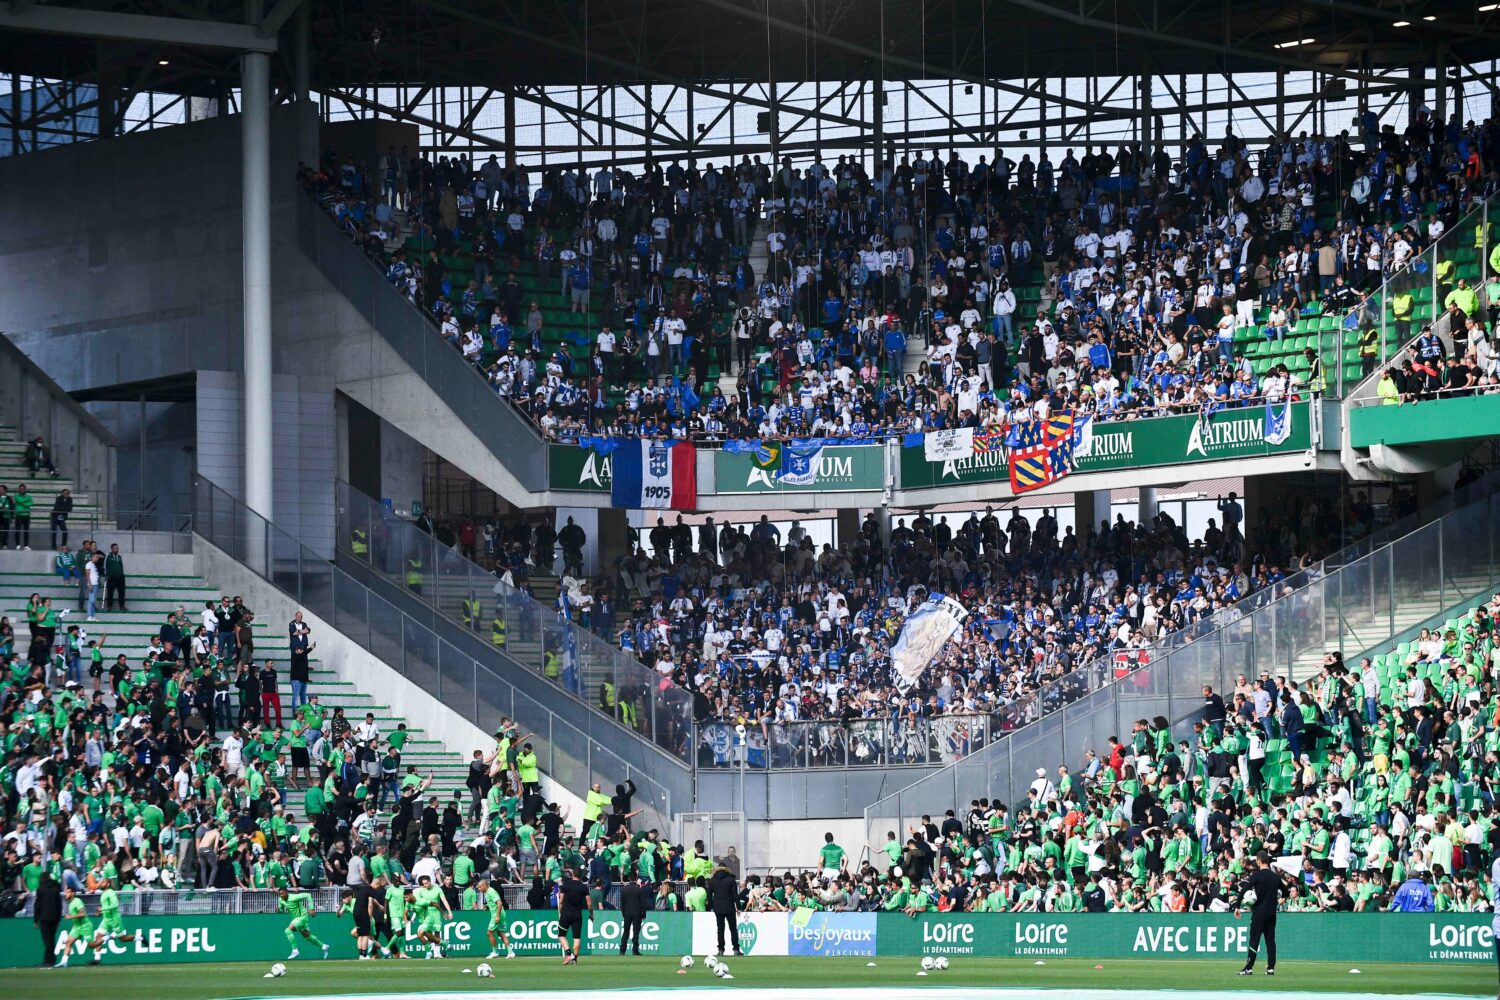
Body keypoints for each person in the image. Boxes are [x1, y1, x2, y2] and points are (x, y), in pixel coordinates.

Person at [1235, 851, 1290, 976]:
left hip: (1259, 912)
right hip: (1271, 913)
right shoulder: (1275, 877)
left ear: (1259, 861)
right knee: (1270, 941)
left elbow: (1243, 890)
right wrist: (1280, 899)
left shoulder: (1256, 875)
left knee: (1254, 939)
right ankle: (1270, 968)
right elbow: (1286, 892)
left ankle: (1249, 967)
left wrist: (1237, 906)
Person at [277, 886, 330, 960]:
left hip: (302, 917)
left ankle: (295, 950)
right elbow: (281, 909)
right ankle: (324, 946)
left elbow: (308, 895)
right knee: (307, 936)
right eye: (280, 894)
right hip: (297, 919)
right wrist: (279, 910)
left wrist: (311, 908)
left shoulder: (294, 897)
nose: (281, 895)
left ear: (286, 892)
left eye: (282, 893)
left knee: (287, 930)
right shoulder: (281, 900)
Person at [556, 867, 593, 965]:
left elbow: (561, 901)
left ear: (573, 875)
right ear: (580, 876)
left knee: (561, 935)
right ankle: (575, 959)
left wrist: (560, 912)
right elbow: (589, 903)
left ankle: (568, 954)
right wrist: (591, 914)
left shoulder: (566, 885)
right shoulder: (583, 887)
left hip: (566, 913)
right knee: (577, 938)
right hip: (577, 914)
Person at [56, 886, 94, 967]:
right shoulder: (71, 903)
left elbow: (82, 914)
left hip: (85, 926)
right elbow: (76, 915)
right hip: (77, 927)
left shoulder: (77, 901)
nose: (66, 894)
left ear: (73, 893)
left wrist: (70, 917)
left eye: (68, 892)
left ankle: (106, 937)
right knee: (68, 942)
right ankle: (64, 962)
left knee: (91, 945)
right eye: (66, 892)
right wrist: (74, 925)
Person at [708, 864, 742, 956]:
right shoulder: (731, 879)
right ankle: (736, 949)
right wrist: (738, 907)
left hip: (718, 907)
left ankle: (721, 949)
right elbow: (735, 895)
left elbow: (709, 895)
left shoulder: (712, 880)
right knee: (733, 929)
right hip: (729, 907)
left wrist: (711, 906)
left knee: (720, 929)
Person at [478, 877, 516, 959]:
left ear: (485, 885)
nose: (479, 888)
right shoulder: (488, 892)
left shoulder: (491, 892)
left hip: (497, 914)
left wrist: (497, 915)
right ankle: (511, 952)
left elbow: (499, 903)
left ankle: (494, 952)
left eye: (480, 887)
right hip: (499, 913)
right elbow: (494, 902)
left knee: (489, 933)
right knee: (501, 933)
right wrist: (487, 906)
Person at [33, 870, 61, 968]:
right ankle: (52, 959)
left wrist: (35, 920)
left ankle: (47, 960)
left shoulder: (41, 889)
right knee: (52, 939)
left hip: (44, 918)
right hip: (54, 918)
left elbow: (37, 905)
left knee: (47, 940)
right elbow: (59, 906)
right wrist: (58, 919)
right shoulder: (56, 888)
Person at [618, 875, 649, 956]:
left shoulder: (624, 889)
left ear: (629, 879)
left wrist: (623, 913)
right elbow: (643, 903)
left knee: (625, 932)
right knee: (636, 932)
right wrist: (644, 913)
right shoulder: (639, 890)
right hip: (637, 913)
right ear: (636, 879)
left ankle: (622, 950)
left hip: (627, 913)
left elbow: (622, 903)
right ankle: (635, 950)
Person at [103, 543, 127, 611]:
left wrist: (122, 575)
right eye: (115, 548)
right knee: (110, 592)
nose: (116, 549)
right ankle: (109, 606)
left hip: (120, 578)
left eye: (117, 548)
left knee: (122, 593)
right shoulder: (109, 557)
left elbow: (121, 566)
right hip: (112, 578)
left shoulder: (119, 557)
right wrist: (109, 575)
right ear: (112, 549)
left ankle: (122, 606)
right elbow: (107, 567)